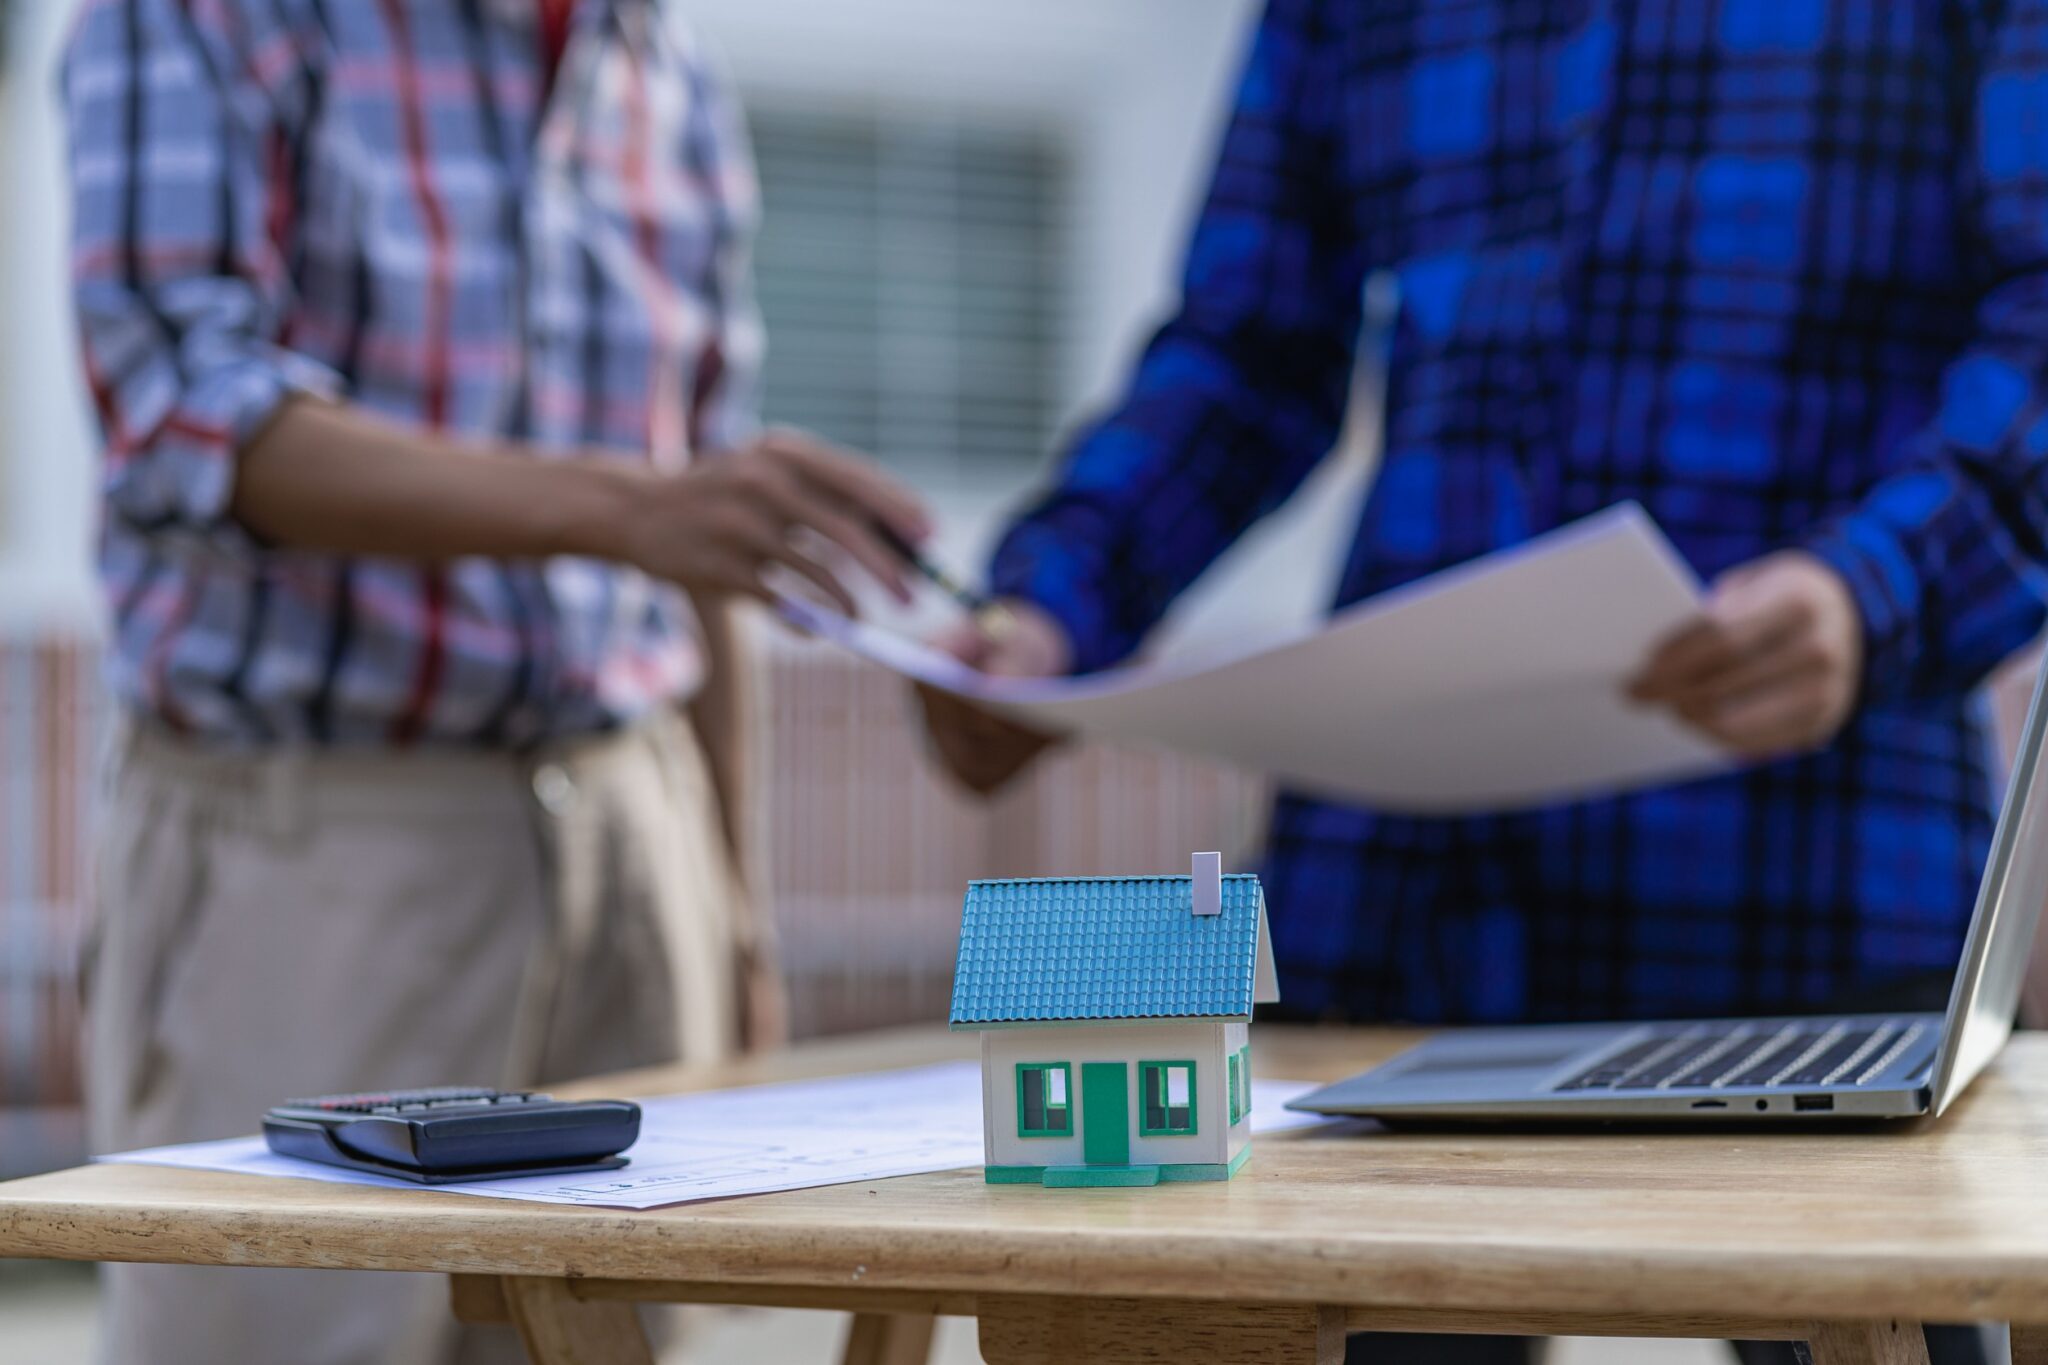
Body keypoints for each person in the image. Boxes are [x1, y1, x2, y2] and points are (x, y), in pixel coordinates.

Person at [918, 2, 2048, 1363]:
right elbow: (1249, 347)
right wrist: (1052, 601)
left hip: (1818, 862)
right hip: (1403, 894)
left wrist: (1877, 591)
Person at [62, 2, 927, 1363]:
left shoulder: (661, 58)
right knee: (286, 1334)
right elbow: (184, 410)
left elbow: (698, 513)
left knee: (618, 1336)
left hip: (638, 826)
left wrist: (737, 913)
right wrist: (622, 507)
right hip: (327, 836)